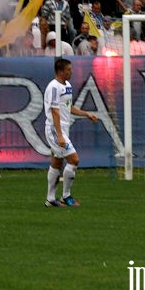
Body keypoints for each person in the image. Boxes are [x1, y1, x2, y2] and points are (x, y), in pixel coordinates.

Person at [43, 58, 99, 208]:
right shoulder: (53, 87)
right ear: (61, 71)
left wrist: (87, 114)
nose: (71, 71)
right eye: (69, 69)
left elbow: (69, 107)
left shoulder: (67, 85)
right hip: (55, 130)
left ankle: (50, 199)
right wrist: (60, 135)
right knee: (74, 160)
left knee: (56, 163)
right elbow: (54, 111)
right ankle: (66, 196)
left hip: (62, 129)